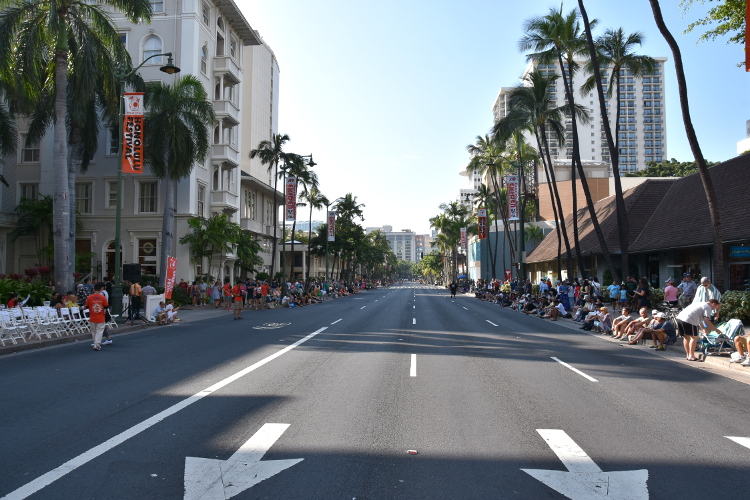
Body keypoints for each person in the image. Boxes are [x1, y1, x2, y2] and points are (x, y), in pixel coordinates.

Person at [85, 282, 109, 351]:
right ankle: (97, 344)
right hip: (101, 316)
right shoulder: (103, 297)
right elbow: (106, 306)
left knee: (93, 331)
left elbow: (86, 306)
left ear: (93, 289)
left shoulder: (89, 297)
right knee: (100, 331)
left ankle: (95, 343)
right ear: (100, 289)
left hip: (92, 316)